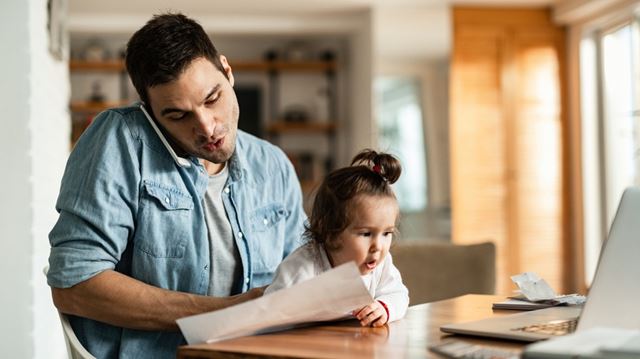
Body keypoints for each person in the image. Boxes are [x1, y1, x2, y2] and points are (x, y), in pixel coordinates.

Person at [46, 13, 306, 359]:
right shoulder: (121, 140)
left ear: (227, 71)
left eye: (212, 98)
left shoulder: (272, 165)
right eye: (178, 115)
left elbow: (306, 271)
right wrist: (225, 313)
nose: (207, 127)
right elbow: (74, 284)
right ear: (150, 113)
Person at [265, 149, 410, 327]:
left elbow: (399, 295)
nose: (378, 246)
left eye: (387, 233)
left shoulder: (381, 264)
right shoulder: (301, 268)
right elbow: (268, 314)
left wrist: (384, 308)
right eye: (366, 234)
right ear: (331, 233)